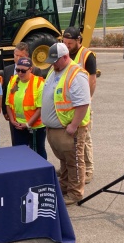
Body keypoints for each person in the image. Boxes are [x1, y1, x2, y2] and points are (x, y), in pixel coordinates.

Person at [41, 43, 91, 206]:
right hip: (56, 128)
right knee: (64, 159)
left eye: (55, 61)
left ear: (65, 57)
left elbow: (83, 103)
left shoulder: (76, 74)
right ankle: (64, 185)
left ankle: (75, 193)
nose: (53, 64)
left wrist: (74, 125)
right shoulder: (54, 69)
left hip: (69, 128)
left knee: (74, 161)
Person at [63, 26, 97, 184]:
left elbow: (92, 81)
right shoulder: (64, 55)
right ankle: (72, 168)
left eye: (70, 43)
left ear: (78, 41)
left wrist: (86, 101)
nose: (67, 46)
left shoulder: (87, 55)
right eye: (65, 42)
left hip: (82, 105)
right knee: (71, 141)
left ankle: (88, 170)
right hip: (68, 107)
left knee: (85, 138)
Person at [5, 57, 47, 159]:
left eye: (23, 71)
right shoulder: (13, 81)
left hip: (35, 127)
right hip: (18, 125)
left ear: (31, 69)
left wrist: (28, 124)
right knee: (19, 154)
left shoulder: (39, 83)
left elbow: (40, 108)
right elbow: (8, 104)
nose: (20, 73)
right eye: (17, 70)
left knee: (38, 152)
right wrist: (12, 120)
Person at [2, 42, 42, 145]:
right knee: (17, 145)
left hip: (33, 123)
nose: (18, 58)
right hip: (15, 119)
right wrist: (6, 113)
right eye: (16, 55)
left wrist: (28, 123)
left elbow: (40, 104)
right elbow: (6, 93)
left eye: (21, 56)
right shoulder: (8, 70)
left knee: (36, 150)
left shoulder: (37, 72)